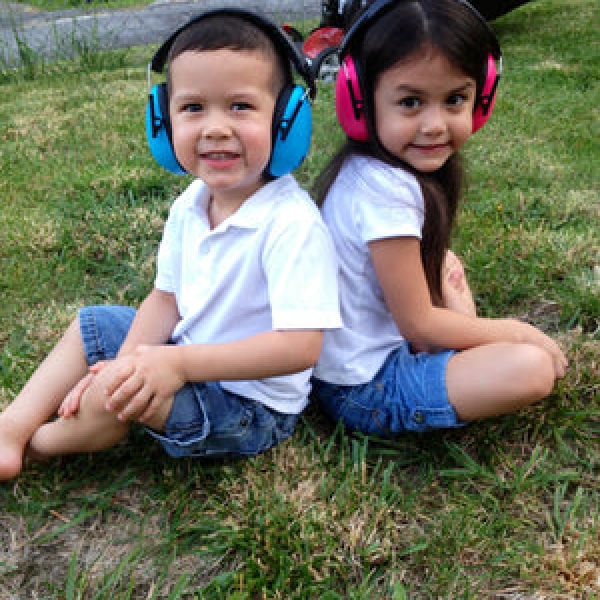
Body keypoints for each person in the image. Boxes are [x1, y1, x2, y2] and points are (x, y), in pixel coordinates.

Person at [0, 9, 341, 481]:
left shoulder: (292, 224)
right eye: (193, 108)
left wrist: (174, 364)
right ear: (162, 120)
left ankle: (40, 446)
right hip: (186, 354)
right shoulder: (192, 202)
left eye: (241, 107)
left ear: (287, 118)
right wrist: (125, 363)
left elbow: (300, 347)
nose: (215, 127)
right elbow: (167, 299)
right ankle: (12, 427)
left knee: (112, 395)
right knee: (94, 326)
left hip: (248, 408)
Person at [311, 0, 567, 437]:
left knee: (446, 265)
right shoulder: (383, 192)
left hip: (382, 355)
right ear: (360, 99)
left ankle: (456, 352)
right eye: (411, 102)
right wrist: (516, 333)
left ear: (481, 97)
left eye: (454, 99)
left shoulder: (377, 173)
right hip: (363, 388)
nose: (435, 124)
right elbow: (420, 326)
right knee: (532, 368)